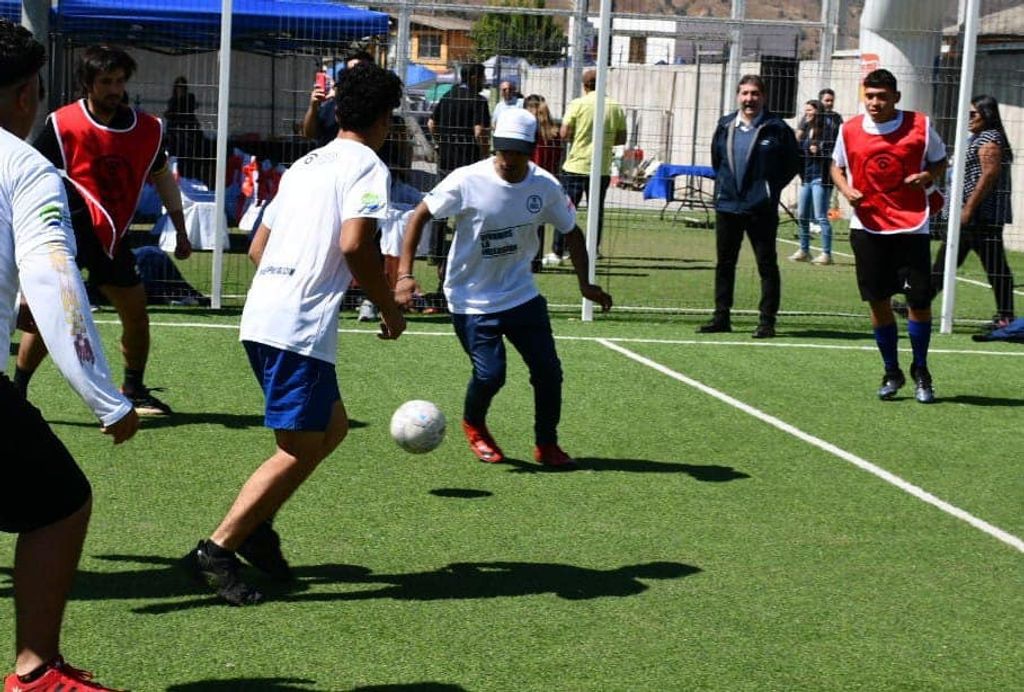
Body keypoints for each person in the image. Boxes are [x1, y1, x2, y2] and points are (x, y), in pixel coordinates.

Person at [181, 63, 406, 606]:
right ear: (384, 118)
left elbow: (258, 247)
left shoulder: (308, 162)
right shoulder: (369, 167)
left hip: (266, 313)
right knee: (298, 447)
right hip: (295, 325)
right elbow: (356, 245)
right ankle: (217, 549)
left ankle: (258, 527)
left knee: (331, 429)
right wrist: (388, 306)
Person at [0, 19, 139, 690]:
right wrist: (107, 398)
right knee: (60, 502)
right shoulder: (24, 167)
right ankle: (35, 670)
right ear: (29, 93)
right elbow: (58, 285)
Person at [396, 108, 612, 470]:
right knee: (491, 375)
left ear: (531, 148)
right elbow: (419, 215)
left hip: (520, 294)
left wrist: (585, 284)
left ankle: (547, 444)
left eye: (518, 151)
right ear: (494, 145)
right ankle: (474, 423)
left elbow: (571, 233)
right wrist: (404, 275)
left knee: (548, 371)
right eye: (503, 150)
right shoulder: (466, 181)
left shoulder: (544, 186)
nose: (509, 159)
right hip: (471, 299)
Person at [13, 44, 192, 416]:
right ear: (87, 83)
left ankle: (135, 389)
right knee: (56, 317)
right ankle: (18, 391)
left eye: (120, 81)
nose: (115, 88)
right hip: (67, 233)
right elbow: (31, 176)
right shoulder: (63, 124)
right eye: (106, 81)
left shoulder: (146, 128)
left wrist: (181, 228)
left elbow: (161, 176)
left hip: (112, 239)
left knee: (136, 313)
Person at [831, 68, 947, 403]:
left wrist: (927, 175)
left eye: (882, 96)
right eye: (870, 96)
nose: (875, 102)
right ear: (862, 96)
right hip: (868, 227)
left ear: (896, 97)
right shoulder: (849, 129)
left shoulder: (920, 127)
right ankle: (891, 370)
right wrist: (846, 189)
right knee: (878, 301)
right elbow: (835, 166)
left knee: (919, 302)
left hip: (911, 226)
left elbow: (941, 161)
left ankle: (921, 370)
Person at [698, 74, 799, 339]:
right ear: (738, 96)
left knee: (766, 264)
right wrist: (723, 188)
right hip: (728, 205)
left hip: (760, 208)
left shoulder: (777, 128)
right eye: (744, 93)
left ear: (763, 97)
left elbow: (792, 163)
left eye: (754, 93)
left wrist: (769, 188)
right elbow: (717, 160)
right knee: (725, 263)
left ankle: (767, 321)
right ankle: (721, 316)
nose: (749, 99)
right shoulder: (725, 125)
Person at [930, 94, 1015, 328]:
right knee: (947, 262)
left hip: (979, 217)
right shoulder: (975, 137)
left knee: (994, 266)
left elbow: (989, 175)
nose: (968, 118)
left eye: (973, 114)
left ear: (986, 114)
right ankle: (918, 304)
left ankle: (1006, 316)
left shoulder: (989, 138)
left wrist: (967, 209)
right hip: (968, 215)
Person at [546, 68, 626, 263]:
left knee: (566, 209)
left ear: (584, 86)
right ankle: (593, 249)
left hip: (576, 165)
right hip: (601, 166)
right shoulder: (614, 106)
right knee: (596, 211)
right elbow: (621, 138)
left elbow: (564, 134)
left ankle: (559, 250)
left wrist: (579, 136)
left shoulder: (578, 104)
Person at [790, 99, 836, 265]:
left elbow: (832, 153)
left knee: (821, 216)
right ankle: (804, 250)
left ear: (818, 111)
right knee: (802, 215)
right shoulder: (806, 128)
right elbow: (797, 145)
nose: (807, 113)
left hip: (820, 178)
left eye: (810, 110)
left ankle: (826, 253)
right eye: (806, 110)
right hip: (807, 178)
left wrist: (820, 150)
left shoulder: (827, 129)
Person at [524, 94, 563, 272]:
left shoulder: (531, 132)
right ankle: (536, 260)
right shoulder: (554, 132)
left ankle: (528, 259)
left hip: (530, 178)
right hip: (549, 180)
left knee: (527, 221)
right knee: (539, 221)